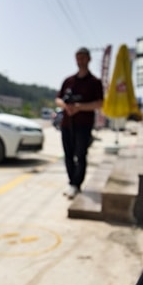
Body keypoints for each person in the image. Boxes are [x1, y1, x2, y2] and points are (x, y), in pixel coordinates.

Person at [55, 47, 104, 199]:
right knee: (68, 154)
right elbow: (58, 99)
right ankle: (71, 182)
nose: (80, 61)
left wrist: (79, 107)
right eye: (78, 58)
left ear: (89, 59)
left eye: (83, 58)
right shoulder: (68, 81)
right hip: (67, 123)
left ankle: (77, 184)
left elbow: (100, 103)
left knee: (81, 154)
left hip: (84, 124)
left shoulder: (94, 82)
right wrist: (66, 106)